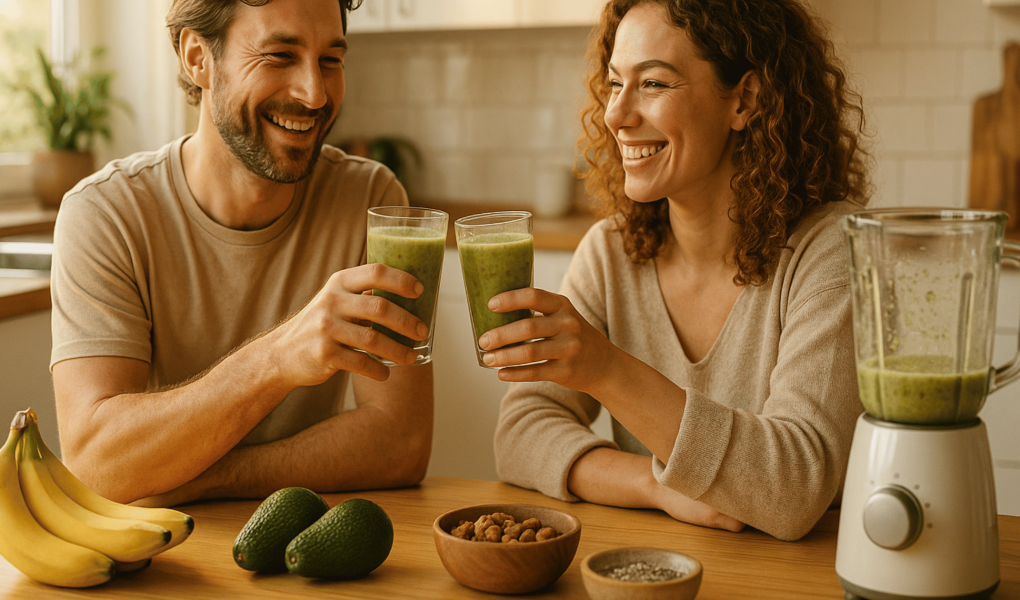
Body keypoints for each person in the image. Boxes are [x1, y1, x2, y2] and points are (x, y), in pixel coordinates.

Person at [488, 0, 869, 541]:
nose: (616, 115)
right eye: (616, 84)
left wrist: (606, 370)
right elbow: (520, 433)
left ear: (745, 100)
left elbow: (793, 490)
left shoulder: (829, 251)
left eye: (654, 84)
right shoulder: (612, 252)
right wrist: (655, 486)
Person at [49, 0, 434, 507]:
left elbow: (400, 442)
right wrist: (278, 359)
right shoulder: (105, 214)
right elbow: (98, 464)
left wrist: (202, 477)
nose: (315, 93)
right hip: (167, 559)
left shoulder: (370, 201)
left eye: (331, 60)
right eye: (279, 56)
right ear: (197, 58)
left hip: (305, 550)